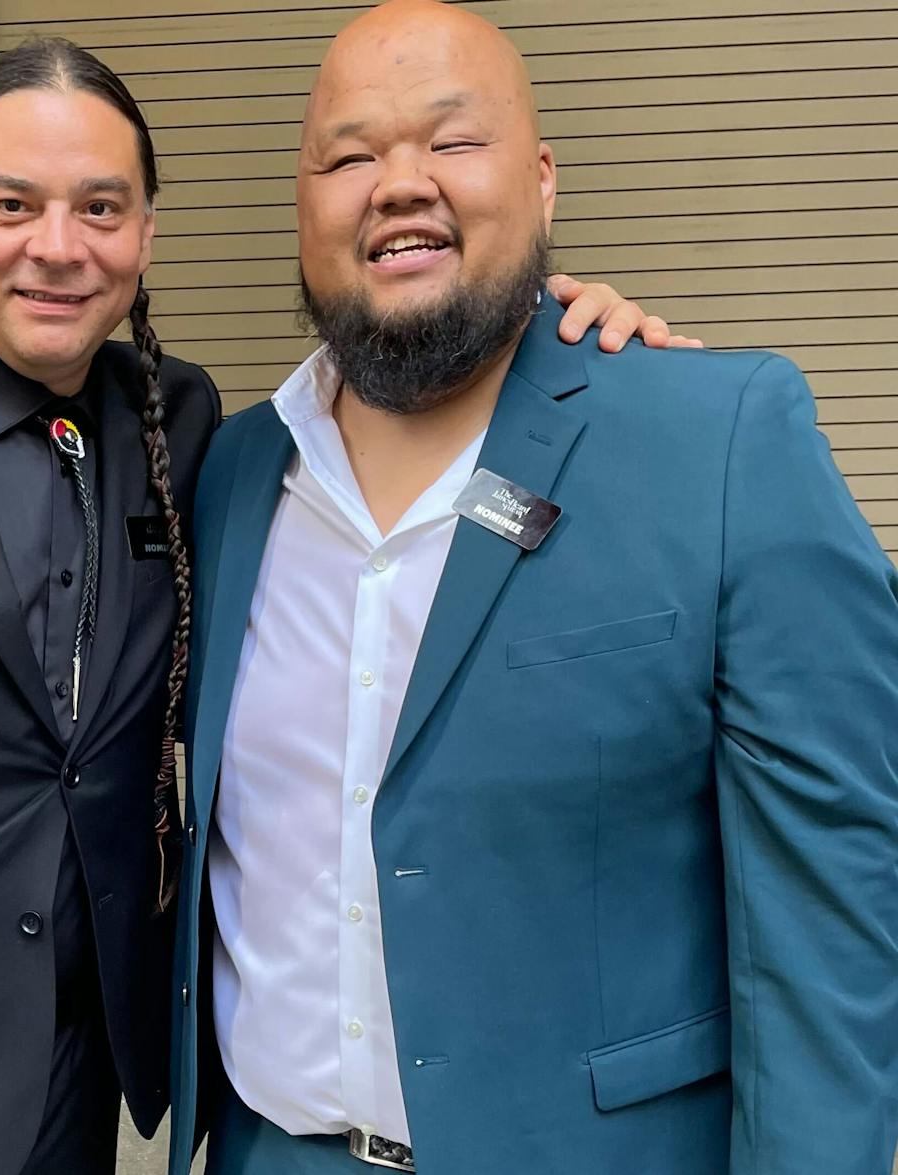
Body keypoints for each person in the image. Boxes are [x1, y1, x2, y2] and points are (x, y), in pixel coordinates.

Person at [0, 36, 684, 1175]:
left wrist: (549, 324)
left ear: (144, 231)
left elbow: (427, 362)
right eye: (11, 204)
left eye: (99, 207)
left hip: (81, 1069)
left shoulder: (181, 424)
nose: (57, 247)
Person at [170, 4, 898, 1175]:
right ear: (301, 208)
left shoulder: (714, 441)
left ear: (543, 181)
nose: (396, 182)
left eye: (450, 143)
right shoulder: (227, 472)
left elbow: (838, 911)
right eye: (348, 155)